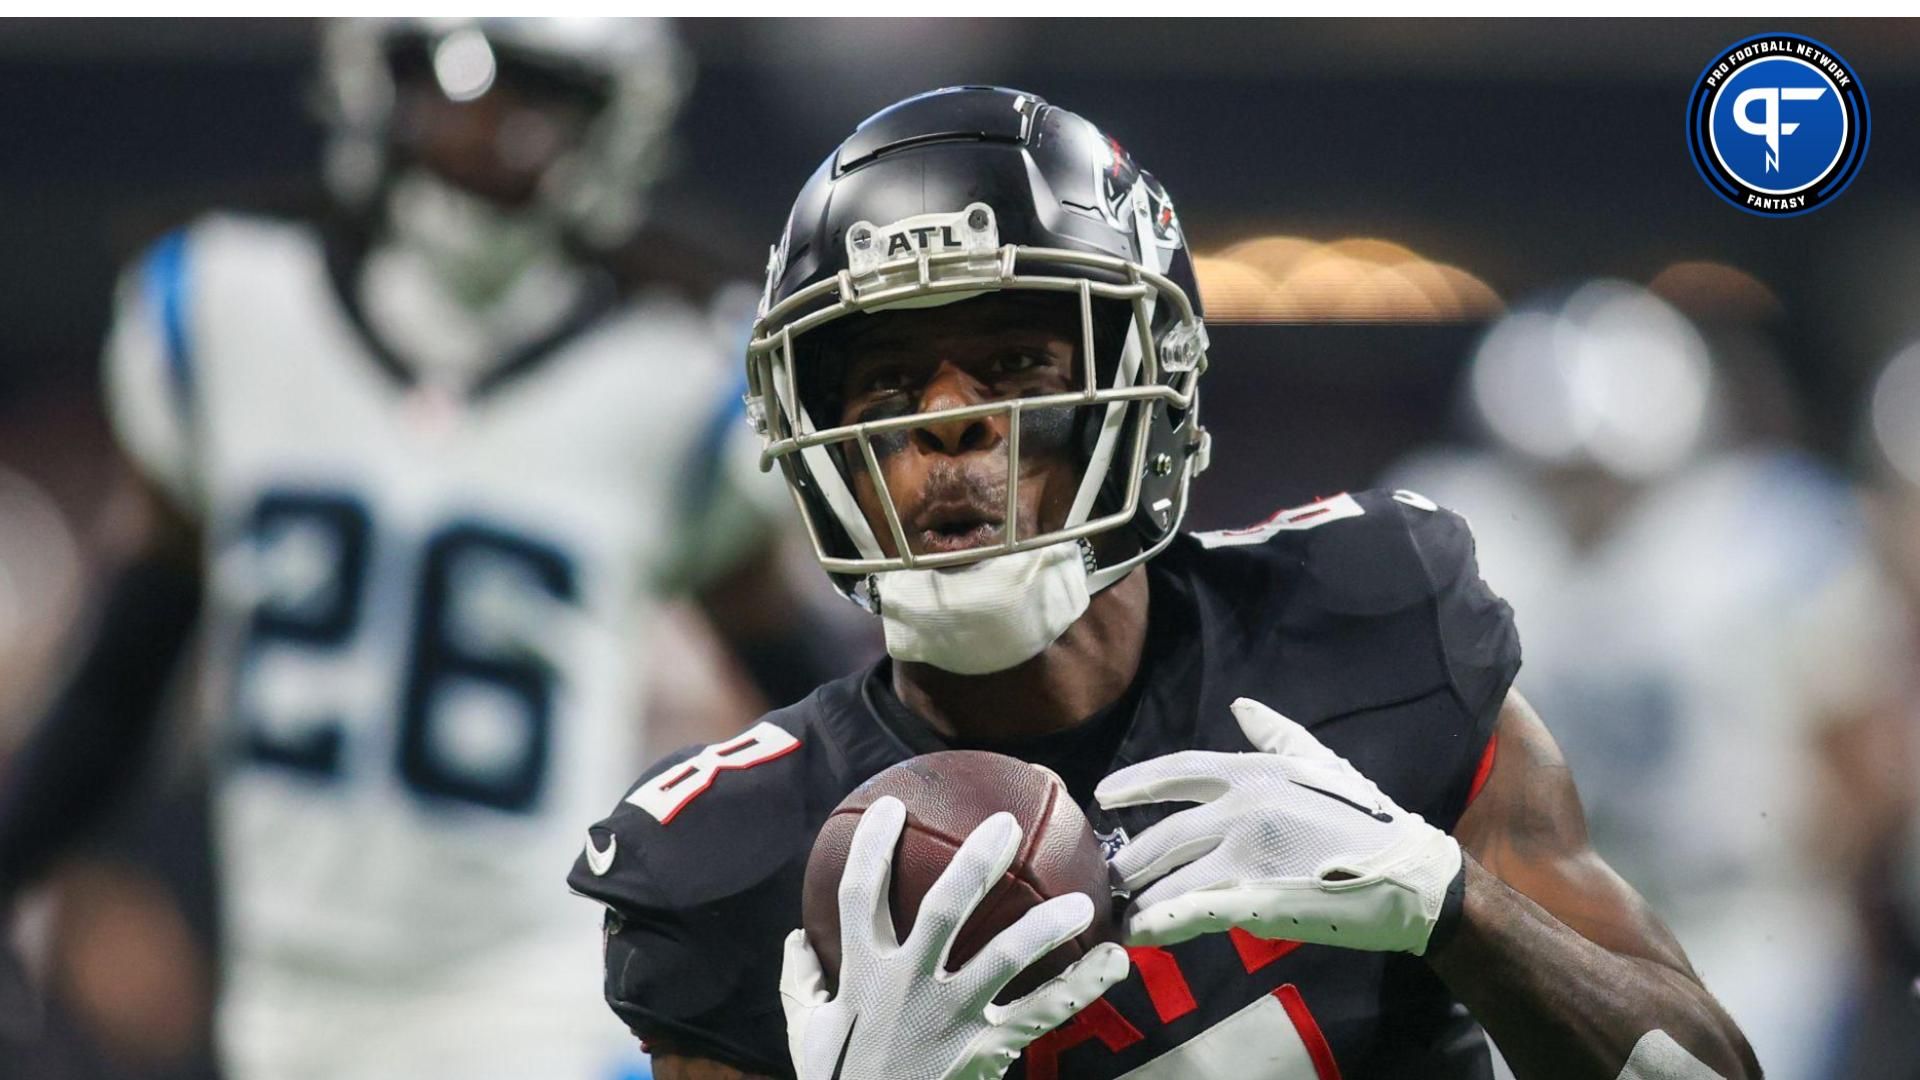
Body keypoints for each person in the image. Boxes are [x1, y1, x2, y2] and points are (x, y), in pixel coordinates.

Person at [569, 86, 1760, 1080]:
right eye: (885, 392)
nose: (953, 433)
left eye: (1018, 367)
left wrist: (1450, 902)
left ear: (1150, 389)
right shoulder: (728, 855)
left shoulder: (1367, 622)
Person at [0, 18, 833, 1080]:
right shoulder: (230, 306)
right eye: (443, 84)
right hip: (283, 1019)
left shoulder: (670, 381)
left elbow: (808, 703)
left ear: (611, 122)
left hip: (540, 1014)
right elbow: (123, 673)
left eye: (531, 98)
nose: (478, 131)